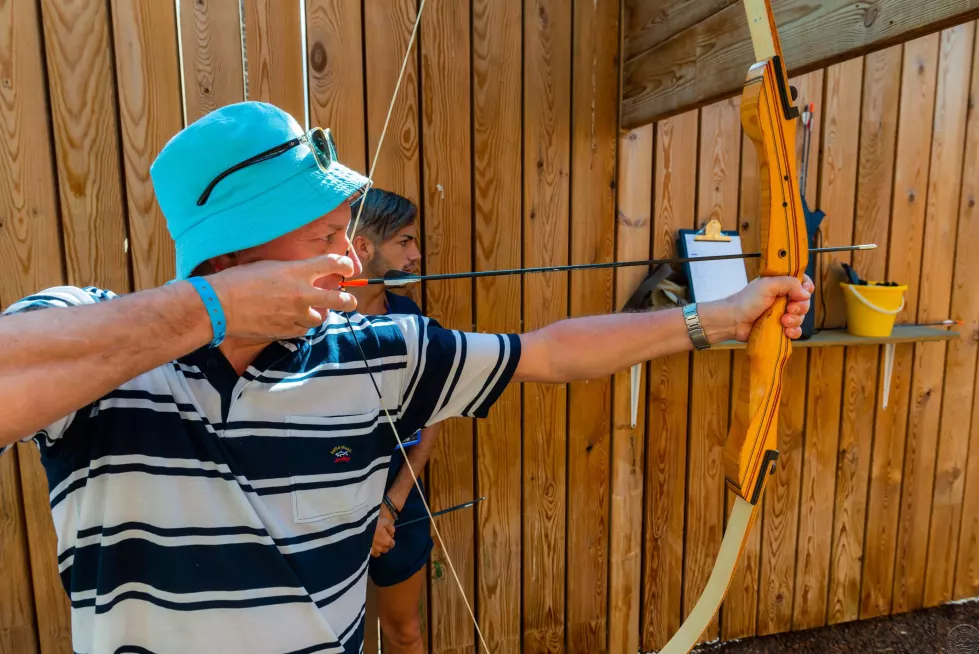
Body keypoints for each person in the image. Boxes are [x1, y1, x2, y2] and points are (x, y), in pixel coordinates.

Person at [0, 101, 813, 654]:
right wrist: (208, 311)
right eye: (325, 234)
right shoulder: (89, 342)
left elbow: (549, 352)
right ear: (237, 246)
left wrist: (720, 318)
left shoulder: (377, 351)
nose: (353, 261)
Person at [346, 188, 435, 653]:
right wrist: (359, 517)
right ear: (364, 247)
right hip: (333, 506)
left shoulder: (410, 316)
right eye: (404, 241)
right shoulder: (316, 322)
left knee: (404, 633)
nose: (416, 254)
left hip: (400, 498)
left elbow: (431, 416)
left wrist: (391, 506)